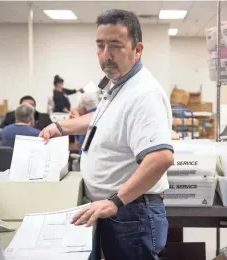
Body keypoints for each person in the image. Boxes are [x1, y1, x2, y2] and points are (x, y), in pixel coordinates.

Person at [40, 9, 174, 260]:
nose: (105, 55)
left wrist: (115, 201)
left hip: (131, 212)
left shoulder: (143, 93)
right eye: (100, 46)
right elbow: (106, 120)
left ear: (138, 49)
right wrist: (62, 127)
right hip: (117, 210)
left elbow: (161, 158)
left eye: (115, 45)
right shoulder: (118, 84)